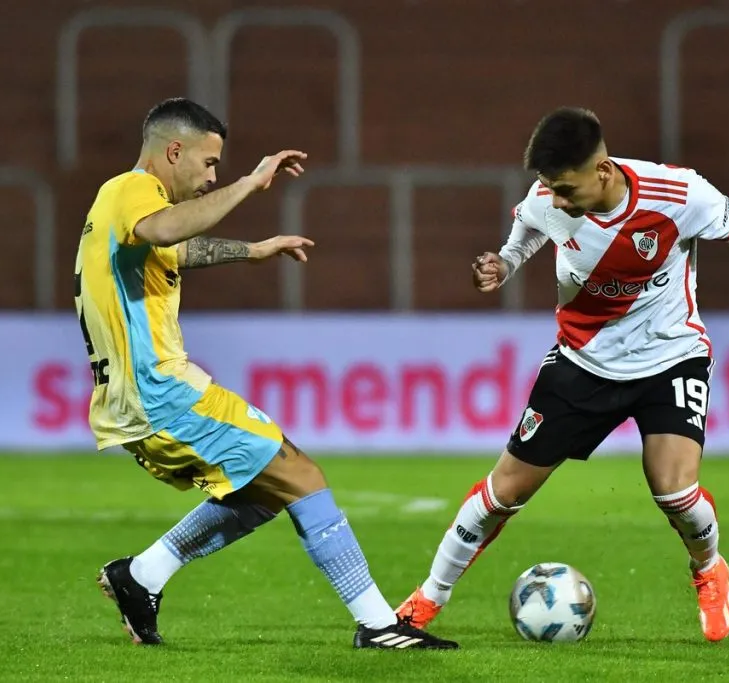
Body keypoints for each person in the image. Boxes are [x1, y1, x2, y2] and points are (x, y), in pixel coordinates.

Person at [396, 106, 729, 642]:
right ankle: (426, 599)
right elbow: (530, 228)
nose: (556, 199)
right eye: (549, 187)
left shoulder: (680, 195)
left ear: (602, 171)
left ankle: (709, 568)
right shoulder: (548, 198)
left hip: (670, 356)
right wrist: (505, 263)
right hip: (581, 362)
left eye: (565, 188)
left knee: (674, 491)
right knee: (502, 493)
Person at [74, 97, 457, 650]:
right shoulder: (133, 190)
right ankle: (379, 626)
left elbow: (175, 250)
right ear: (172, 150)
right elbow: (165, 232)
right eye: (207, 164)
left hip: (141, 395)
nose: (212, 177)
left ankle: (142, 577)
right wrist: (252, 184)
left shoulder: (121, 209)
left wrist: (252, 251)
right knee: (302, 476)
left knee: (266, 491)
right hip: (159, 391)